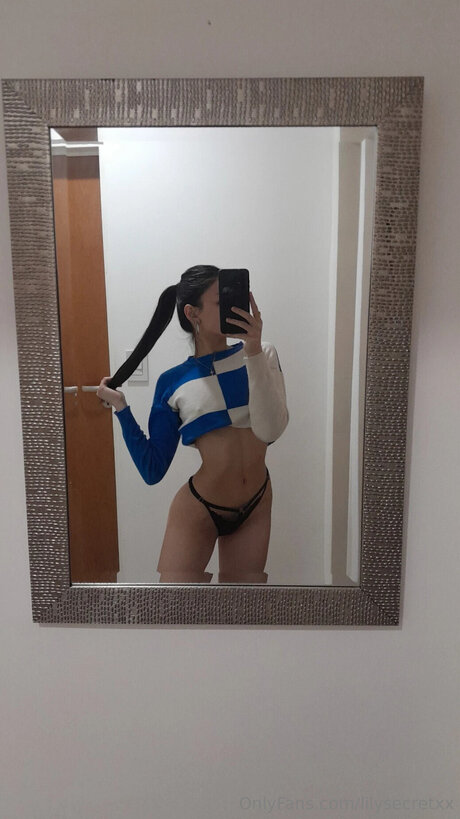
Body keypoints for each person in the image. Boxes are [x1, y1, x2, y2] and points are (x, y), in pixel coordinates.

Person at [96, 265, 289, 584]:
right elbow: (153, 470)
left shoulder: (262, 353)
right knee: (173, 607)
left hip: (257, 503)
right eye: (221, 301)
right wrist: (121, 408)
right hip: (200, 508)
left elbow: (271, 431)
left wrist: (253, 349)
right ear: (192, 313)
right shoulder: (173, 382)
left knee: (244, 608)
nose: (232, 307)